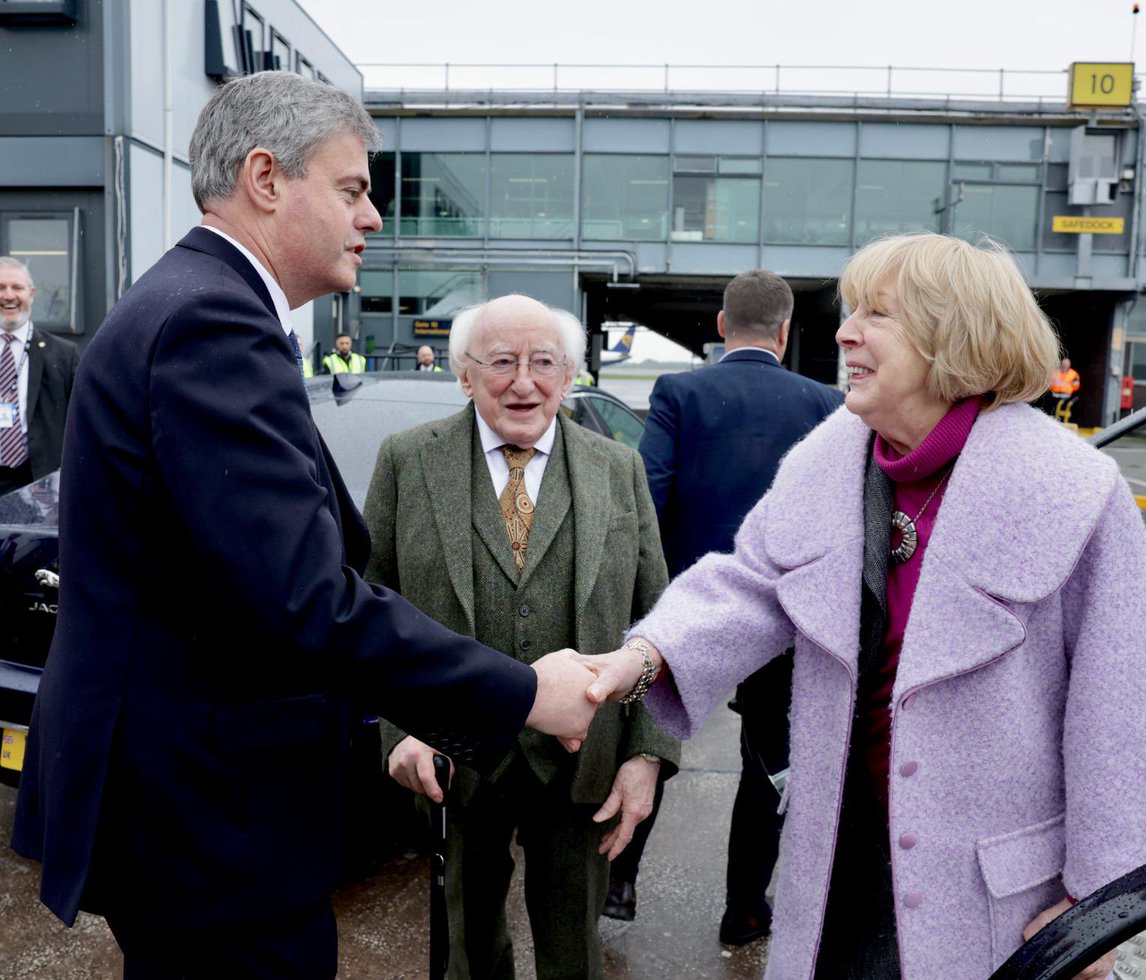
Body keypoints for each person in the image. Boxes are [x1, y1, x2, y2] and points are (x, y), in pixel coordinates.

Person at [11, 72, 602, 979]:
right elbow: (307, 598)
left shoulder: (185, 303)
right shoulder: (213, 320)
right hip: (213, 821)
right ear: (266, 177)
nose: (371, 218)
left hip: (185, 807)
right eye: (354, 188)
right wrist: (524, 692)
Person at [583, 233, 1146, 979]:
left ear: (952, 337)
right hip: (837, 865)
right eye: (849, 311)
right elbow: (748, 581)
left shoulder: (1073, 488)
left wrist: (1099, 909)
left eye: (877, 314)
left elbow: (1122, 717)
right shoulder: (834, 454)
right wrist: (639, 658)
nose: (844, 332)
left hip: (993, 896)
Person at [364, 294, 679, 980]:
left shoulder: (617, 468)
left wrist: (648, 755)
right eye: (502, 362)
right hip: (454, 764)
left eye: (543, 362)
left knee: (575, 957)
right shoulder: (406, 460)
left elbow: (658, 621)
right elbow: (372, 609)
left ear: (568, 376)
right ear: (465, 374)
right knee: (467, 954)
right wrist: (400, 731)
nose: (524, 382)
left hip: (582, 767)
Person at [606, 270, 843, 941]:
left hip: (692, 606)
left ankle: (621, 882)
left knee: (655, 737)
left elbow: (646, 497)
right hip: (784, 614)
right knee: (767, 758)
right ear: (787, 330)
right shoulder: (823, 402)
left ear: (720, 325)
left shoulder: (681, 392)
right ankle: (744, 909)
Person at [0, 256, 81, 495]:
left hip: (42, 485)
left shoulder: (64, 355)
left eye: (17, 287)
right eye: (1, 287)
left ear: (32, 294)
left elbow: (79, 422)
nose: (9, 295)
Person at [1050, 356, 1081, 423]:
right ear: (1061, 364)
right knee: (1053, 411)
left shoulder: (1073, 374)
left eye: (1066, 363)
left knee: (1065, 411)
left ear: (1069, 364)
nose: (1065, 365)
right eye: (1063, 363)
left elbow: (1076, 386)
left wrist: (1068, 390)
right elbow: (1050, 383)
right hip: (1055, 395)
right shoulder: (1055, 373)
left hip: (1066, 397)